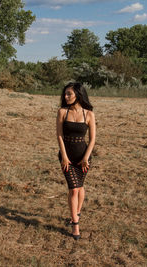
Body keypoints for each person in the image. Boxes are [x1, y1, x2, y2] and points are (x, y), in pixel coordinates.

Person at [56, 82, 96, 240]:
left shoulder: (89, 114)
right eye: (65, 94)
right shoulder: (62, 112)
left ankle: (76, 213)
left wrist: (86, 158)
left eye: (69, 94)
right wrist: (64, 156)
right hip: (67, 156)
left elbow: (92, 139)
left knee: (80, 188)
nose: (65, 97)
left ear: (78, 95)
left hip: (84, 158)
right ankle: (75, 224)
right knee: (73, 189)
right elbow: (59, 135)